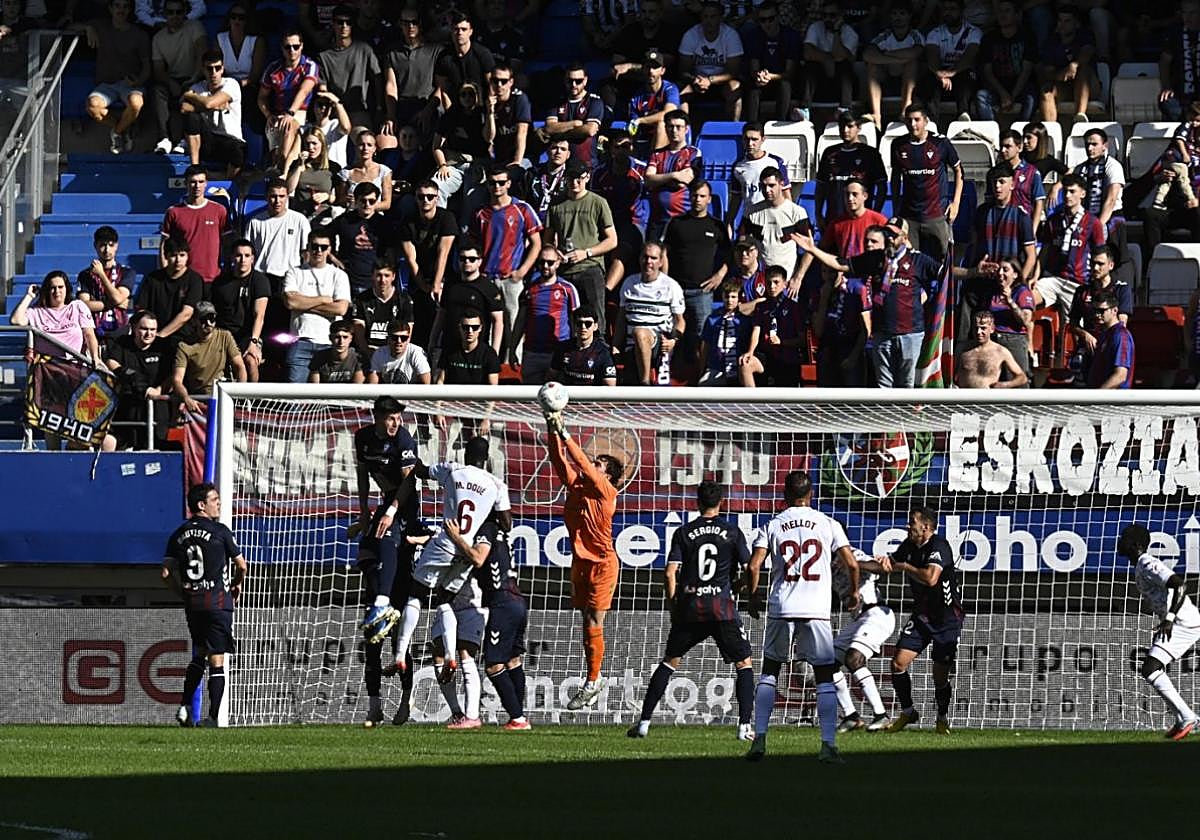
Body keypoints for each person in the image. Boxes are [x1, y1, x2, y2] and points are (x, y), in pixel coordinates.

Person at [744, 470, 859, 763]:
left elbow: (754, 566)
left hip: (782, 606)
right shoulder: (828, 524)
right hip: (816, 610)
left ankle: (759, 740)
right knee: (824, 676)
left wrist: (753, 597)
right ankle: (828, 745)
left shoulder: (772, 525)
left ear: (784, 495)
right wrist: (853, 593)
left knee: (770, 671)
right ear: (811, 494)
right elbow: (851, 564)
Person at [627, 480, 754, 740]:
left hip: (691, 607)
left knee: (669, 661)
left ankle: (644, 723)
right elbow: (749, 567)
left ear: (697, 503)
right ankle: (744, 728)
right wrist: (740, 588)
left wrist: (674, 605)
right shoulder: (732, 532)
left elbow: (670, 572)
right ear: (721, 502)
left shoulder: (684, 532)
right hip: (721, 607)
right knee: (744, 663)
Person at [392, 437, 512, 682]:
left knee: (416, 594)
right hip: (466, 550)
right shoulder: (497, 484)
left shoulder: (453, 470)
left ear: (466, 453)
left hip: (447, 541)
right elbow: (507, 523)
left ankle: (399, 654)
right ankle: (449, 655)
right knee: (444, 599)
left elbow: (421, 471)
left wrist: (408, 454)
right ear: (487, 458)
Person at [542, 404, 623, 711]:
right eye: (597, 461)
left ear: (609, 476)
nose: (595, 464)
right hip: (580, 562)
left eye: (601, 464)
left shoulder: (606, 492)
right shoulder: (577, 486)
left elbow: (581, 463)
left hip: (603, 564)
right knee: (584, 622)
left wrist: (564, 431)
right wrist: (552, 429)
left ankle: (594, 679)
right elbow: (558, 459)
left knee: (594, 620)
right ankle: (592, 676)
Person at [798, 218, 940, 388]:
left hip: (910, 334)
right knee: (883, 386)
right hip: (882, 333)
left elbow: (944, 273)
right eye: (886, 233)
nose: (889, 238)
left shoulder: (917, 260)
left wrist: (972, 272)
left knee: (908, 385)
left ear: (904, 237)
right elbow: (841, 264)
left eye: (893, 234)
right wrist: (813, 249)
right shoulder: (875, 259)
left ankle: (907, 415)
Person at [353, 396, 419, 725]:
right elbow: (363, 473)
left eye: (397, 418)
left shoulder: (404, 439)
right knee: (366, 553)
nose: (394, 423)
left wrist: (392, 512)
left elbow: (409, 482)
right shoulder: (363, 438)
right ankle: (374, 706)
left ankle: (405, 701)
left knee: (398, 642)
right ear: (376, 417)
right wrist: (365, 511)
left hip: (405, 509)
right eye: (389, 418)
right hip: (382, 508)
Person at [163, 482, 247, 728]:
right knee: (217, 660)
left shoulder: (178, 534)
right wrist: (236, 584)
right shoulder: (220, 531)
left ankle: (185, 707)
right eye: (215, 499)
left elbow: (166, 574)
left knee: (199, 653)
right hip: (218, 602)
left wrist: (184, 594)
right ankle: (212, 718)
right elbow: (241, 565)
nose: (218, 503)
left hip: (194, 604)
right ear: (201, 505)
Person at [881, 506, 963, 735]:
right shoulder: (908, 546)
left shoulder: (940, 546)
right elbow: (887, 565)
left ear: (925, 527)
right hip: (922, 616)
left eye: (911, 523)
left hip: (947, 619)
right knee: (897, 663)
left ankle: (941, 718)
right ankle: (908, 712)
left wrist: (904, 566)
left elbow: (930, 578)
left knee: (939, 676)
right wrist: (855, 564)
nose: (908, 526)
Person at [444, 512, 531, 729]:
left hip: (502, 603)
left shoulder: (486, 530)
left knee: (493, 665)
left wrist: (456, 537)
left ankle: (518, 718)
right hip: (517, 600)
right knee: (512, 660)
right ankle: (518, 716)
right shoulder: (501, 532)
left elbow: (478, 557)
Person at [1117, 524, 1200, 740]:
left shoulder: (1147, 563)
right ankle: (1183, 717)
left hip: (1184, 622)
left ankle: (1187, 716)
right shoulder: (1140, 566)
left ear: (1136, 545)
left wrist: (1170, 619)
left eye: (1124, 538)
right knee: (1150, 668)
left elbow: (1178, 585)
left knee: (1150, 667)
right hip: (1180, 621)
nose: (1119, 542)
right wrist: (1165, 620)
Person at [468, 166, 543, 364]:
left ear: (509, 184)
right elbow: (473, 246)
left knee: (514, 326)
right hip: (485, 278)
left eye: (501, 182)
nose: (497, 187)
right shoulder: (480, 213)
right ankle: (486, 366)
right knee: (485, 327)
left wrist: (522, 271)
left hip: (511, 278)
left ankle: (514, 369)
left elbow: (537, 242)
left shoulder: (522, 209)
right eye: (492, 183)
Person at [660, 179, 728, 368]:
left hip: (702, 293)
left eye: (702, 196)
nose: (698, 199)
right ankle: (669, 377)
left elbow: (729, 256)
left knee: (702, 337)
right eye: (695, 195)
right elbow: (664, 253)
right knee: (672, 334)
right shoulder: (676, 223)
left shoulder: (717, 226)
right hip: (677, 291)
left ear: (709, 199)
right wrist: (665, 283)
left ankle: (700, 379)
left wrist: (719, 276)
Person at [547, 160, 617, 340]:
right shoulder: (556, 204)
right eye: (571, 178)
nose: (575, 182)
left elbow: (612, 240)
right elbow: (547, 241)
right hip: (564, 270)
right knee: (565, 322)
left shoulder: (598, 203)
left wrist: (586, 253)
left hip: (590, 268)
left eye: (579, 178)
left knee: (596, 320)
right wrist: (556, 253)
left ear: (586, 177)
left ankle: (599, 357)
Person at [831, 547, 896, 733]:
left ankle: (881, 715)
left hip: (877, 613)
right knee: (827, 664)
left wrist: (851, 563)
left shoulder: (850, 553)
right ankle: (851, 717)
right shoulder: (826, 563)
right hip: (858, 620)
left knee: (854, 659)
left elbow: (880, 568)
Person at [890, 102, 962, 264]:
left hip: (936, 215)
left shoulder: (940, 143)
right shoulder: (898, 145)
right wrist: (896, 206)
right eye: (909, 120)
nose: (913, 124)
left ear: (926, 121)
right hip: (910, 217)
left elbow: (959, 171)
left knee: (944, 262)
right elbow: (895, 177)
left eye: (917, 120)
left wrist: (955, 203)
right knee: (909, 261)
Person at [77, 0, 150, 155]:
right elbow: (68, 27)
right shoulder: (100, 26)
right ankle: (124, 128)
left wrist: (139, 81)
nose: (121, 10)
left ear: (130, 10)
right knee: (92, 106)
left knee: (136, 103)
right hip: (106, 85)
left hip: (130, 84)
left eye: (125, 6)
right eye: (117, 6)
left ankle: (117, 132)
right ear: (110, 8)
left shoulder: (139, 35)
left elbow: (147, 66)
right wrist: (88, 28)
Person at [282, 229, 352, 383]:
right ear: (308, 247)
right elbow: (290, 302)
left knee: (325, 400)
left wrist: (303, 304)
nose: (318, 251)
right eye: (314, 246)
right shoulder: (294, 272)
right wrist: (324, 300)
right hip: (300, 340)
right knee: (294, 397)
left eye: (323, 247)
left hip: (329, 344)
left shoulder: (339, 275)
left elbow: (340, 308)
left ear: (330, 250)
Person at [613, 242, 686, 386]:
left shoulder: (671, 286)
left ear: (660, 262)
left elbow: (680, 321)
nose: (648, 262)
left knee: (640, 332)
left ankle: (644, 384)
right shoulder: (629, 283)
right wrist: (615, 346)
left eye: (653, 258)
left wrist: (674, 340)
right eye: (645, 257)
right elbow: (621, 320)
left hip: (658, 345)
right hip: (631, 346)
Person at [1035, 174, 1107, 318]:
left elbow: (1100, 256)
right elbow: (1044, 253)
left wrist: (1099, 285)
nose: (1067, 196)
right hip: (1053, 280)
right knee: (1026, 298)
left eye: (1072, 191)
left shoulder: (1093, 223)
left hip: (1078, 284)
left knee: (1075, 329)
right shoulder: (1053, 221)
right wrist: (1034, 278)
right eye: (1065, 191)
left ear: (1083, 194)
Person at [399, 180, 457, 349]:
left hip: (445, 277)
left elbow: (443, 253)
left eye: (430, 197)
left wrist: (436, 285)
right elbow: (411, 258)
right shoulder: (408, 221)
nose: (426, 200)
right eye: (421, 196)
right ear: (415, 198)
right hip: (418, 279)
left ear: (437, 198)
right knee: (420, 324)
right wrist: (424, 285)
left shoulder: (446, 218)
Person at [429, 240, 505, 364]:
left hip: (477, 352)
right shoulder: (450, 284)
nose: (467, 262)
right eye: (463, 258)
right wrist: (432, 341)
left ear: (480, 261)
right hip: (449, 348)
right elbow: (441, 314)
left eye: (472, 259)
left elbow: (498, 322)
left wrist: (494, 352)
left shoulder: (489, 288)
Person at [513, 246, 580, 385]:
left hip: (558, 353)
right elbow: (520, 321)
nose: (545, 266)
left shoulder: (567, 289)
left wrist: (574, 352)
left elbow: (576, 321)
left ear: (558, 262)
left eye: (550, 262)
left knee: (557, 399)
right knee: (530, 401)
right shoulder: (529, 290)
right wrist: (513, 348)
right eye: (542, 262)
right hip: (532, 353)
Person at [104, 309, 169, 451]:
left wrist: (159, 390)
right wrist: (134, 378)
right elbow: (111, 362)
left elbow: (172, 375)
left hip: (156, 407)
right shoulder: (122, 343)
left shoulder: (164, 347)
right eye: (144, 329)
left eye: (153, 330)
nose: (149, 333)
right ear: (133, 328)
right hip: (127, 406)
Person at [149, 3, 207, 156]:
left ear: (185, 13)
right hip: (173, 78)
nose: (174, 15)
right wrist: (170, 82)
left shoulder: (195, 27)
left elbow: (203, 54)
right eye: (170, 12)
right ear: (164, 14)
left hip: (195, 77)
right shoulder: (158, 38)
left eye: (179, 12)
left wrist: (194, 78)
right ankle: (164, 139)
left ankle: (184, 140)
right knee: (157, 91)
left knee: (192, 94)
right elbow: (158, 69)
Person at [740, 167, 811, 291]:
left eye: (771, 185)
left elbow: (810, 249)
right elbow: (741, 242)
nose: (767, 190)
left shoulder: (797, 212)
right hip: (760, 282)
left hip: (787, 283)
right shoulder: (751, 212)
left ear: (781, 184)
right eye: (763, 186)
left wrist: (798, 278)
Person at [208, 239, 270, 382]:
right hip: (223, 334)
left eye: (247, 256)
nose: (243, 260)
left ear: (253, 259)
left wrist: (253, 343)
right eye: (239, 255)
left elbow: (259, 315)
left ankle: (252, 401)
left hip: (248, 335)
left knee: (251, 361)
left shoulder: (259, 280)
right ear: (231, 257)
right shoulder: (220, 282)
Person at [172, 301, 246, 417]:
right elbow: (177, 380)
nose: (208, 323)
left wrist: (239, 395)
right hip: (199, 402)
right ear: (194, 321)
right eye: (203, 319)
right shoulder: (184, 346)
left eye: (211, 318)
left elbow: (240, 366)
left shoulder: (225, 336)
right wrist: (186, 398)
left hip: (223, 397)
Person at [258, 29, 320, 169]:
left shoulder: (309, 65)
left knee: (288, 126)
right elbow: (262, 97)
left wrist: (290, 113)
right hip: (277, 113)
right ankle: (277, 167)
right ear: (282, 48)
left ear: (302, 46)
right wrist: (268, 115)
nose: (292, 50)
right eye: (287, 47)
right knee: (277, 130)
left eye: (295, 46)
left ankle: (281, 167)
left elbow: (304, 91)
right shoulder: (273, 68)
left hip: (300, 111)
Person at [814, 113, 887, 231]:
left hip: (861, 223)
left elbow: (882, 187)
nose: (845, 130)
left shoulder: (870, 154)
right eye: (841, 126)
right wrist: (818, 214)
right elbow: (820, 186)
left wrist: (875, 213)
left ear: (859, 128)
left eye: (850, 126)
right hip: (834, 220)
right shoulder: (829, 153)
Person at [11, 271, 101, 366]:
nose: (57, 291)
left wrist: (95, 357)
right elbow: (16, 320)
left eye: (60, 287)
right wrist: (29, 296)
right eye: (52, 288)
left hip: (74, 366)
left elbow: (89, 335)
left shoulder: (78, 306)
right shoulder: (36, 311)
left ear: (67, 289)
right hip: (46, 368)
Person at [737, 264, 805, 387]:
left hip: (787, 357)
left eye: (776, 282)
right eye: (768, 283)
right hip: (766, 356)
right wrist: (750, 351)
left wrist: (782, 342)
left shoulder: (794, 307)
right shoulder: (761, 306)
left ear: (785, 283)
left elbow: (802, 340)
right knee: (745, 364)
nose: (772, 287)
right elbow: (756, 331)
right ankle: (752, 403)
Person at [967, 164, 1037, 282]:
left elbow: (1031, 256)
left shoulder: (1021, 216)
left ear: (1012, 185)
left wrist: (1020, 283)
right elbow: (974, 245)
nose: (997, 186)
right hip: (983, 277)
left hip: (1008, 280)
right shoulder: (982, 212)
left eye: (1002, 182)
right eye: (994, 182)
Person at [160, 165, 228, 286]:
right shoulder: (174, 212)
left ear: (206, 183)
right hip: (183, 278)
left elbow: (227, 243)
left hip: (212, 278)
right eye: (193, 182)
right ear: (186, 183)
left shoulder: (219, 210)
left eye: (201, 182)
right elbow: (165, 245)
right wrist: (165, 274)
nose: (197, 186)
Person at [180, 51, 245, 175]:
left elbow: (208, 104)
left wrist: (192, 97)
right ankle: (195, 169)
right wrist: (213, 105)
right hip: (207, 139)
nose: (213, 73)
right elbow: (184, 108)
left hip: (230, 138)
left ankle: (228, 184)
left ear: (222, 69)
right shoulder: (198, 87)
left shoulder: (231, 84)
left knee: (238, 151)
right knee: (191, 117)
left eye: (217, 68)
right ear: (203, 70)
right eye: (209, 69)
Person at [863, 0, 923, 130]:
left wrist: (887, 55)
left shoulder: (915, 35)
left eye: (902, 14)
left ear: (909, 16)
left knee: (911, 64)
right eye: (894, 14)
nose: (898, 17)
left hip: (909, 79)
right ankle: (876, 115)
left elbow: (915, 53)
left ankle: (904, 111)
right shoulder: (885, 35)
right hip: (887, 76)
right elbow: (867, 55)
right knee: (872, 66)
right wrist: (898, 59)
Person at [382, 8, 442, 139]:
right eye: (406, 22)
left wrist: (428, 111)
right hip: (401, 107)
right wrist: (391, 116)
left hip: (427, 105)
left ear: (420, 23)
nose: (410, 26)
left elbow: (442, 86)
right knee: (385, 139)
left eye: (414, 22)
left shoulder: (435, 50)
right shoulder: (392, 52)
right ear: (400, 24)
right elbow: (391, 85)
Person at [317, 6, 380, 127]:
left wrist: (379, 107)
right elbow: (322, 88)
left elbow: (377, 78)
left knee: (365, 142)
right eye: (340, 22)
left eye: (348, 22)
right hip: (334, 112)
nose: (344, 26)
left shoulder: (364, 49)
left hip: (360, 110)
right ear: (333, 24)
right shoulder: (323, 55)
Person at [678, 2, 743, 119]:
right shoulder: (690, 35)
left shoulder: (730, 35)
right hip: (696, 82)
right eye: (705, 17)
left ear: (720, 18)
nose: (709, 21)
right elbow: (683, 70)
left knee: (735, 88)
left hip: (721, 82)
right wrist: (695, 80)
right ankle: (684, 132)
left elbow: (733, 71)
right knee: (679, 92)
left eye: (713, 17)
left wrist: (710, 80)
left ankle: (732, 131)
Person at [134, 236, 203, 345]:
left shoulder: (194, 280)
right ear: (166, 256)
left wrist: (161, 335)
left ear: (187, 256)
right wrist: (150, 333)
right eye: (173, 255)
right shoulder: (152, 279)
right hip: (153, 337)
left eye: (182, 255)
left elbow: (186, 313)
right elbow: (141, 310)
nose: (178, 260)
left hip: (183, 339)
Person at [812, 260, 871, 387]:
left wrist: (853, 357)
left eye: (832, 271)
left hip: (851, 348)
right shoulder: (819, 292)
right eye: (824, 271)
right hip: (828, 350)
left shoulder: (857, 289)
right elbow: (818, 331)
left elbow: (866, 329)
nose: (829, 276)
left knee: (853, 399)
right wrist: (823, 300)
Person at [919, 0, 981, 121]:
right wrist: (939, 74)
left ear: (961, 11)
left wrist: (952, 72)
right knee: (929, 79)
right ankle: (931, 120)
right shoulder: (935, 33)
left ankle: (963, 116)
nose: (948, 13)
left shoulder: (974, 31)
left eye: (952, 9)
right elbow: (932, 56)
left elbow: (969, 56)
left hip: (962, 71)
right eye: (945, 9)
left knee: (966, 77)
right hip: (941, 73)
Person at [1037, 3, 1099, 124]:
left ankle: (1079, 118)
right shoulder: (1051, 42)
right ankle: (1051, 131)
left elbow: (1087, 53)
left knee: (1083, 70)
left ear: (1076, 23)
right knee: (1046, 91)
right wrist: (1060, 74)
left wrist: (1074, 65)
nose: (1062, 25)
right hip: (1064, 86)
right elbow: (1048, 71)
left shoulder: (1085, 35)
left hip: (1089, 87)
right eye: (1060, 20)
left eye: (1067, 21)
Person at [975, 0, 1035, 121]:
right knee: (981, 96)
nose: (1002, 15)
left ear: (1017, 15)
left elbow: (1026, 70)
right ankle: (990, 134)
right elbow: (987, 71)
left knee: (1031, 97)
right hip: (997, 86)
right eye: (1000, 11)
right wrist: (1003, 94)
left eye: (1007, 11)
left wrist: (1012, 96)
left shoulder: (1027, 36)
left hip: (1021, 85)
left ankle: (1020, 132)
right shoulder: (989, 38)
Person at [329, 182, 392, 297]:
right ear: (356, 201)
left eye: (371, 201)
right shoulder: (344, 220)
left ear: (376, 202)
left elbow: (393, 251)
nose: (367, 204)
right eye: (363, 201)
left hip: (375, 282)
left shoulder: (384, 224)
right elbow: (322, 236)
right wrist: (333, 258)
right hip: (348, 280)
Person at [75, 225, 134, 347]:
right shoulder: (85, 275)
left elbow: (118, 298)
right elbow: (84, 305)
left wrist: (101, 274)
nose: (107, 250)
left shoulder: (126, 272)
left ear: (117, 246)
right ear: (95, 246)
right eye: (102, 245)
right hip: (94, 333)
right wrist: (115, 303)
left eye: (111, 245)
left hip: (120, 332)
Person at [729, 122, 792, 235]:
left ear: (763, 139)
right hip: (750, 219)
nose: (750, 143)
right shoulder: (738, 166)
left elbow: (786, 194)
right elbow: (736, 198)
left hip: (773, 220)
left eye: (754, 139)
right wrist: (729, 221)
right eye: (746, 139)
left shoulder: (776, 162)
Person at [542, 62, 605, 170]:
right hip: (559, 166)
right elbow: (550, 128)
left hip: (586, 164)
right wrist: (575, 124)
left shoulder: (594, 101)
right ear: (564, 80)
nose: (574, 84)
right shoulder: (556, 101)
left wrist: (560, 134)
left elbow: (590, 130)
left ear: (585, 80)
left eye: (578, 81)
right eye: (570, 81)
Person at [742, 2, 797, 123]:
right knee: (753, 87)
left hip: (781, 80)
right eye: (763, 20)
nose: (767, 23)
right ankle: (752, 127)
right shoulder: (753, 36)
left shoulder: (790, 36)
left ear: (777, 18)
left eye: (771, 19)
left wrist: (771, 76)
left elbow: (790, 72)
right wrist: (759, 75)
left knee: (785, 85)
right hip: (762, 82)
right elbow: (753, 67)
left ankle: (780, 123)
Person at [803, 2, 859, 112]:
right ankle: (804, 108)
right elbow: (807, 53)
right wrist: (828, 59)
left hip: (842, 86)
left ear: (840, 16)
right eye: (824, 15)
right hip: (821, 84)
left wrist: (836, 32)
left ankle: (845, 109)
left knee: (844, 66)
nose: (827, 19)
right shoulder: (815, 27)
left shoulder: (850, 33)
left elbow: (839, 56)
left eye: (832, 15)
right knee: (810, 66)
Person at [625, 49, 681, 158]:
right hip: (644, 138)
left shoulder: (670, 89)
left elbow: (669, 113)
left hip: (669, 138)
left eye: (655, 67)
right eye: (648, 67)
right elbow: (633, 125)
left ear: (662, 71)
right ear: (643, 69)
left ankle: (654, 164)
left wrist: (642, 120)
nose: (651, 71)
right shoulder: (636, 97)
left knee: (662, 124)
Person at [434, 10, 495, 110]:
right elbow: (442, 90)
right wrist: (450, 114)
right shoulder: (444, 56)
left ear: (471, 31)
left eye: (464, 29)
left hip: (481, 108)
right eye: (456, 29)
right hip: (454, 108)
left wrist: (488, 111)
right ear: (451, 31)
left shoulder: (483, 54)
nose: (459, 33)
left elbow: (492, 86)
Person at [954, 310, 1029, 388]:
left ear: (992, 329)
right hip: (964, 397)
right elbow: (949, 373)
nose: (978, 332)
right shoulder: (962, 348)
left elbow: (1022, 377)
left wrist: (1003, 385)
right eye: (976, 328)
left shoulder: (1001, 351)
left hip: (987, 398)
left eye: (983, 328)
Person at [352, 262, 412, 356]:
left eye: (387, 275)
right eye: (378, 275)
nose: (382, 280)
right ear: (372, 276)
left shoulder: (404, 300)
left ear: (393, 276)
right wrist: (370, 353)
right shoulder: (361, 299)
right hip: (369, 350)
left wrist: (391, 355)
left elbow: (408, 332)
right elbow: (359, 336)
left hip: (394, 351)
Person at [697, 281, 751, 386]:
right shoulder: (712, 319)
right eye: (727, 296)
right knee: (703, 385)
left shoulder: (745, 321)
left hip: (737, 368)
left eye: (733, 297)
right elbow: (705, 346)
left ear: (739, 298)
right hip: (716, 367)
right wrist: (702, 369)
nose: (729, 300)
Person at [820, 178, 889, 260]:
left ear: (865, 196)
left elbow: (898, 244)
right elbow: (821, 249)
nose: (850, 198)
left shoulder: (879, 221)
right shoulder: (836, 223)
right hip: (845, 269)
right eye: (847, 194)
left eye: (854, 194)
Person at [550, 305, 617, 386]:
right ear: (574, 325)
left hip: (592, 397)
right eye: (579, 323)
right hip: (567, 396)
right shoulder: (563, 348)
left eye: (588, 324)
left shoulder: (603, 352)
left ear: (595, 326)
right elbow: (551, 378)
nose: (583, 327)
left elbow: (610, 386)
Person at [285, 126, 340, 221]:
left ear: (322, 144)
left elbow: (341, 199)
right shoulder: (296, 164)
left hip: (323, 217)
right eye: (307, 144)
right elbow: (289, 189)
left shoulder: (333, 167)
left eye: (314, 143)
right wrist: (299, 166)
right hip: (300, 216)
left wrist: (327, 196)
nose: (311, 148)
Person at [434, 309, 502, 387]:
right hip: (452, 397)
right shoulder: (449, 350)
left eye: (475, 327)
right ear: (459, 327)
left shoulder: (489, 353)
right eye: (465, 327)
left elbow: (493, 387)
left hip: (480, 398)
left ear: (480, 328)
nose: (470, 331)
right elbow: (440, 381)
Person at [997, 129, 1046, 233]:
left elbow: (1039, 202)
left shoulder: (1032, 173)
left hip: (1024, 227)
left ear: (1019, 148)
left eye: (1007, 146)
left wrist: (1032, 230)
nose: (1002, 150)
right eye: (1001, 146)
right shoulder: (994, 173)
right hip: (1002, 228)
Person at [485, 61, 530, 174]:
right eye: (495, 81)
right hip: (499, 157)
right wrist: (490, 112)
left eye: (504, 81)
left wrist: (517, 161)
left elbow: (522, 132)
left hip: (523, 155)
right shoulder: (488, 102)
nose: (499, 85)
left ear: (511, 82)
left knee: (515, 174)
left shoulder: (520, 99)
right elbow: (488, 137)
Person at [1158, 0, 1200, 121]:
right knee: (1167, 102)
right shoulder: (1174, 33)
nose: (1188, 17)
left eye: (1193, 13)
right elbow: (1164, 62)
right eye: (1185, 12)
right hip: (1180, 94)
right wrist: (1166, 86)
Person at [1086, 290, 1135, 389]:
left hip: (1112, 402)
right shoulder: (1105, 334)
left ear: (1115, 310)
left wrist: (1096, 397)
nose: (1097, 315)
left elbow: (1120, 376)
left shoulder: (1121, 335)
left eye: (1101, 311)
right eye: (1095, 311)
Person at [367, 319, 431, 384]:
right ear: (388, 338)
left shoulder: (417, 353)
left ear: (408, 339)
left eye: (403, 338)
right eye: (394, 337)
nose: (399, 341)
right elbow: (373, 384)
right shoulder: (379, 354)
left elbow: (426, 384)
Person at [1022, 121, 1066, 210]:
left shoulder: (1047, 160)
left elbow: (1070, 171)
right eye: (1024, 137)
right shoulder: (1019, 156)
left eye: (1029, 138)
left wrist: (1056, 186)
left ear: (1040, 139)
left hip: (1033, 201)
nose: (1025, 141)